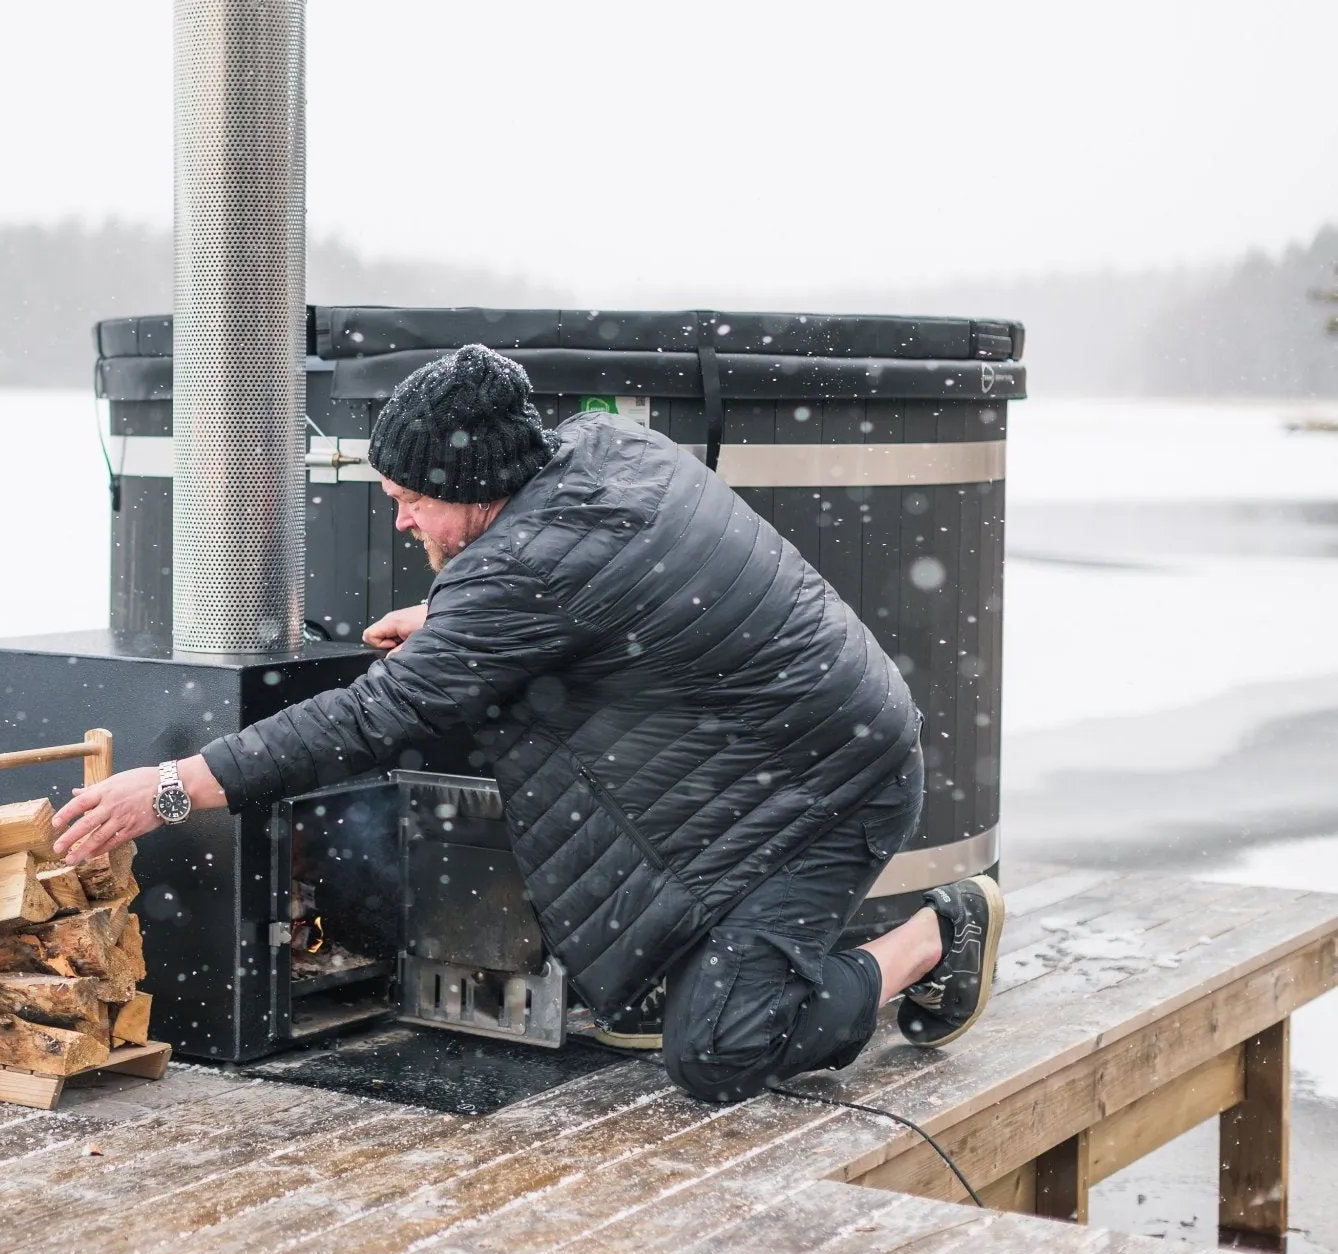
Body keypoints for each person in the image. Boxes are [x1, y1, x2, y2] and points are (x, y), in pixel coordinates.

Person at [53, 343, 1002, 1102]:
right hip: (783, 755)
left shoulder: (532, 571)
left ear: (472, 489)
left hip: (839, 789)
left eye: (410, 501)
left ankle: (934, 935)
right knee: (640, 982)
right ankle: (725, 961)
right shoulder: (601, 452)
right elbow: (615, 595)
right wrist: (455, 623)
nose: (401, 524)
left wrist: (171, 785)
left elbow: (379, 714)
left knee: (718, 1050)